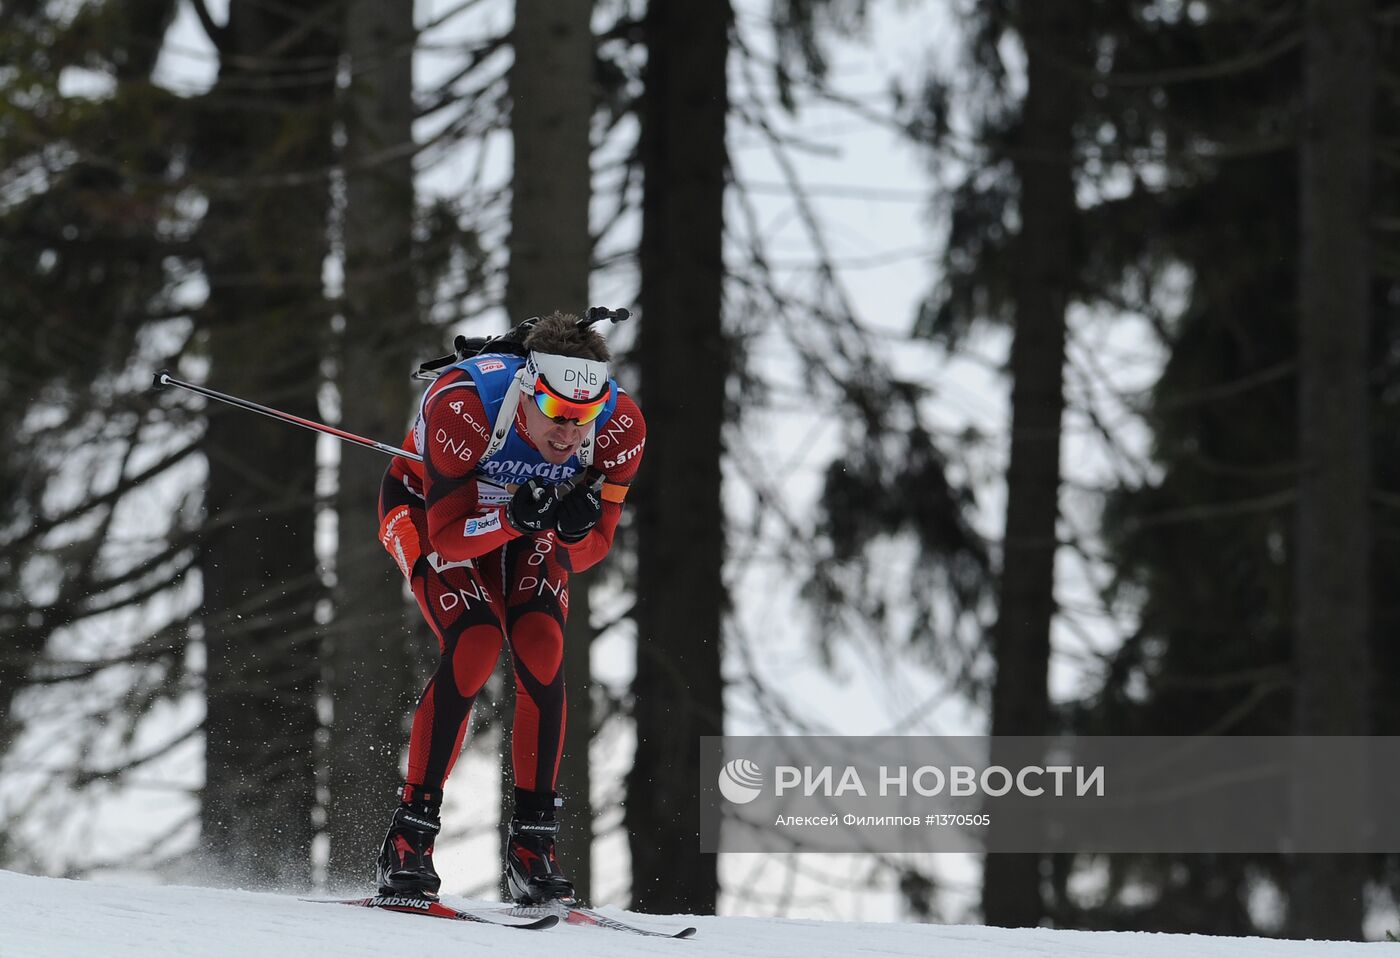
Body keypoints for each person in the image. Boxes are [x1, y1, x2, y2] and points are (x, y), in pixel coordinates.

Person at [373, 311, 646, 904]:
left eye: (584, 418)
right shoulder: (465, 403)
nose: (569, 435)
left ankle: (532, 846)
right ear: (526, 388)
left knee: (544, 646)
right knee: (474, 642)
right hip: (433, 509)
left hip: (525, 522)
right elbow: (446, 536)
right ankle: (409, 837)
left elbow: (593, 548)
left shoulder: (621, 426)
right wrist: (511, 516)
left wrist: (572, 533)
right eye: (554, 412)